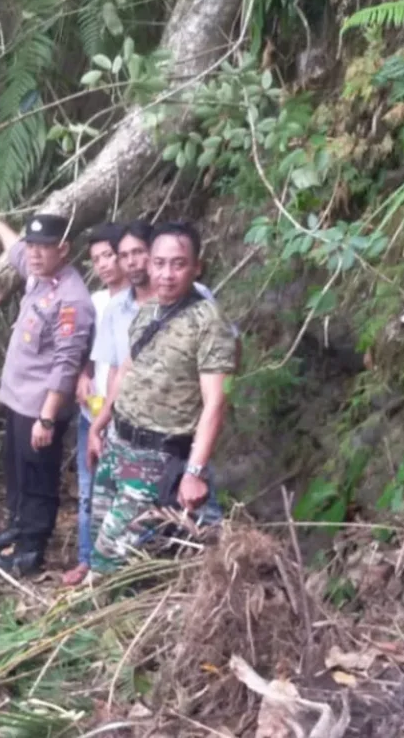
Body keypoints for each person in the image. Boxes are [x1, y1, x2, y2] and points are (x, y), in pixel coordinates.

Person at [86, 220, 238, 573]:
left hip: (157, 459)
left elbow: (215, 401)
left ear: (196, 267)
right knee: (101, 545)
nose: (166, 274)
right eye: (159, 263)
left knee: (111, 561)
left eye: (178, 264)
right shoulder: (148, 310)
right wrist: (100, 423)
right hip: (117, 445)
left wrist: (195, 471)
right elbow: (127, 370)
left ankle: (105, 616)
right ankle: (114, 614)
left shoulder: (209, 323)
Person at [0, 206, 94, 578]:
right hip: (18, 402)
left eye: (45, 246)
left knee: (38, 479)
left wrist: (47, 416)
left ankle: (30, 550)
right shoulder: (40, 277)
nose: (35, 253)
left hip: (41, 407)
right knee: (17, 470)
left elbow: (66, 365)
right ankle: (16, 527)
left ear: (65, 250)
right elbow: (16, 251)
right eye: (33, 245)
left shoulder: (72, 300)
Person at [62, 223, 128, 587]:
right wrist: (82, 374)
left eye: (109, 255)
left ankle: (116, 565)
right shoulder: (96, 301)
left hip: (124, 415)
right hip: (92, 411)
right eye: (96, 259)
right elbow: (88, 350)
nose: (103, 265)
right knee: (88, 490)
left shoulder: (139, 301)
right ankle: (87, 559)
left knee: (120, 491)